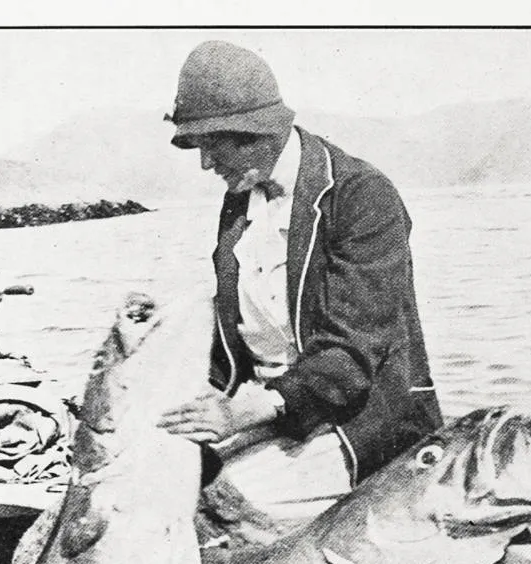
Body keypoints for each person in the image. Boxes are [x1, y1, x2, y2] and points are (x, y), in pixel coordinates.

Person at [158, 40, 442, 523]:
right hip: (270, 414)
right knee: (160, 476)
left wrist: (243, 413)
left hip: (356, 423)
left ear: (252, 134)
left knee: (222, 506)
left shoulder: (360, 195)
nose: (206, 164)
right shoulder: (243, 197)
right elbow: (237, 335)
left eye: (211, 146)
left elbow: (350, 357)